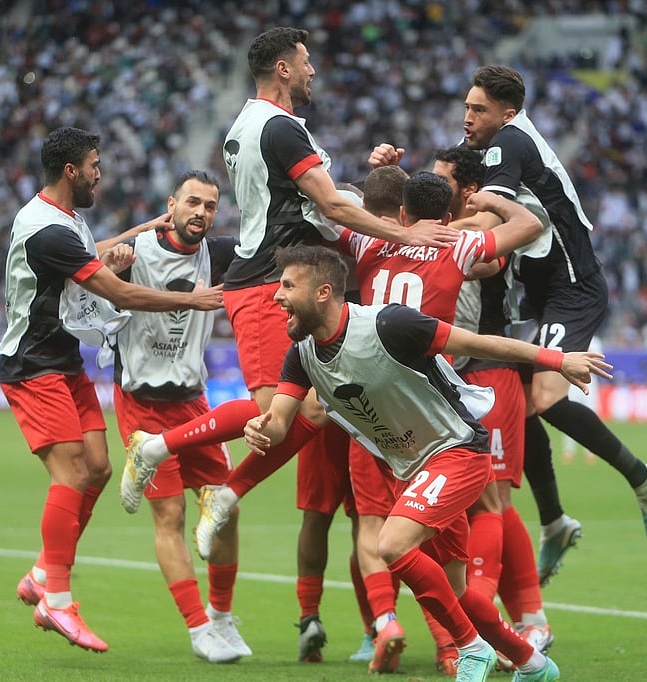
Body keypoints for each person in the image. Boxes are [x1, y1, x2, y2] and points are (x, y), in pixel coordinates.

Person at [121, 26, 459, 663]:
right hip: (269, 282)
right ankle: (164, 451)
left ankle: (219, 488)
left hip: (280, 275)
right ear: (283, 67)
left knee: (302, 409)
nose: (312, 71)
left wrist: (371, 184)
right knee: (281, 409)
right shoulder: (281, 128)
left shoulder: (248, 128)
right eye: (306, 62)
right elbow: (326, 203)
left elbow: (307, 204)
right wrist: (409, 234)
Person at [247, 244, 612, 681]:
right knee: (463, 598)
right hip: (413, 470)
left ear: (323, 292)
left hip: (457, 451)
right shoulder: (302, 355)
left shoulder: (388, 324)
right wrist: (261, 430)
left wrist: (557, 359)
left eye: (287, 285)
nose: (276, 296)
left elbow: (476, 342)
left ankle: (470, 648)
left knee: (391, 543)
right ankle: (533, 664)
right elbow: (281, 423)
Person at [371, 65, 647, 585]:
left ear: (507, 114)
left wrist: (411, 236)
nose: (467, 117)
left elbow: (488, 221)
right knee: (524, 402)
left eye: (478, 109)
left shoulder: (508, 143)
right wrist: (392, 185)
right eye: (466, 106)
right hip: (535, 296)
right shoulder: (498, 147)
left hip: (570, 286)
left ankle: (642, 477)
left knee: (548, 397)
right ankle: (554, 520)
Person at [0, 126, 223, 653]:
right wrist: (194, 302)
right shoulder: (47, 229)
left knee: (98, 467)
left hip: (62, 360)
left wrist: (143, 226)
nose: (101, 173)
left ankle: (41, 572)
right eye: (95, 165)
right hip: (32, 366)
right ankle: (57, 597)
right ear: (72, 171)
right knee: (71, 473)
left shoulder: (61, 219)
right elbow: (117, 290)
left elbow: (89, 253)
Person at [336, 166, 542, 674]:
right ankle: (456, 645)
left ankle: (388, 622)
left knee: (373, 522)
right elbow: (530, 226)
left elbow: (326, 204)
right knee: (460, 523)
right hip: (431, 412)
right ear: (447, 215)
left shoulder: (367, 243)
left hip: (369, 406)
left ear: (402, 214)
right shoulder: (456, 245)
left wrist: (379, 197)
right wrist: (482, 208)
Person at [111, 170, 252, 663]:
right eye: (193, 202)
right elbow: (83, 257)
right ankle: (197, 629)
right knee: (169, 516)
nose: (202, 213)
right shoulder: (138, 253)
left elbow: (277, 242)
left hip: (193, 402)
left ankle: (220, 617)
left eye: (210, 206)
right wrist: (128, 241)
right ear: (171, 204)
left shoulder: (221, 254)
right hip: (141, 403)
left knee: (227, 508)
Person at [431, 147, 556, 667]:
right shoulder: (445, 230)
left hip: (491, 373)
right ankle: (508, 616)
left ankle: (527, 620)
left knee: (493, 499)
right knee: (480, 502)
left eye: (442, 182)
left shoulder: (481, 231)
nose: (433, 188)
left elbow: (503, 247)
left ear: (465, 190)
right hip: (460, 378)